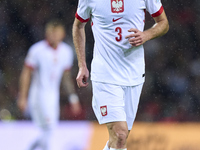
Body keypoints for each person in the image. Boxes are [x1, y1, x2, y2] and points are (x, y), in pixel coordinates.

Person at [72, 0, 169, 149]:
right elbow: (78, 25)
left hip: (134, 75)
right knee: (120, 134)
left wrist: (146, 35)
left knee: (119, 142)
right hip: (105, 75)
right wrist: (82, 65)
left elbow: (163, 23)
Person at [17, 19, 82, 150]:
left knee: (49, 130)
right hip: (38, 96)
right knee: (48, 128)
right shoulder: (37, 50)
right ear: (47, 33)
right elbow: (26, 74)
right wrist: (22, 96)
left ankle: (32, 146)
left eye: (57, 32)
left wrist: (73, 98)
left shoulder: (66, 51)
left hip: (53, 97)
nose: (54, 35)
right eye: (51, 32)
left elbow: (65, 78)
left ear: (63, 34)